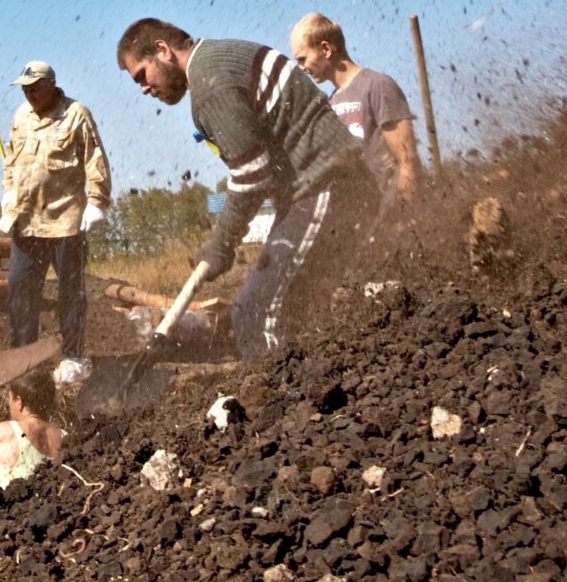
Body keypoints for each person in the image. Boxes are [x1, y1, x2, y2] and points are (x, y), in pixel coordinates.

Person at [116, 18, 379, 358]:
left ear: (163, 50)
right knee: (300, 312)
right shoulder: (218, 56)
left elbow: (252, 174)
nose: (144, 89)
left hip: (326, 185)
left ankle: (284, 403)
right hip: (333, 185)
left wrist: (221, 244)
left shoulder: (209, 83)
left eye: (141, 75)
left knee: (256, 317)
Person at [2, 61, 111, 384]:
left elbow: (95, 159)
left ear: (51, 83)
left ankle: (73, 357)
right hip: (27, 222)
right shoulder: (20, 118)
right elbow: (9, 160)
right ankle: (24, 361)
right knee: (21, 292)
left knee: (70, 294)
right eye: (24, 88)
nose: (29, 92)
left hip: (67, 222)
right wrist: (8, 192)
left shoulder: (76, 114)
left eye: (34, 86)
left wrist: (97, 202)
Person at [289, 12, 422, 206]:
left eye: (302, 59)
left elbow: (408, 161)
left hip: (391, 210)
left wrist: (406, 214)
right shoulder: (331, 103)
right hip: (360, 214)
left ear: (326, 49)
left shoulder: (378, 86)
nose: (300, 67)